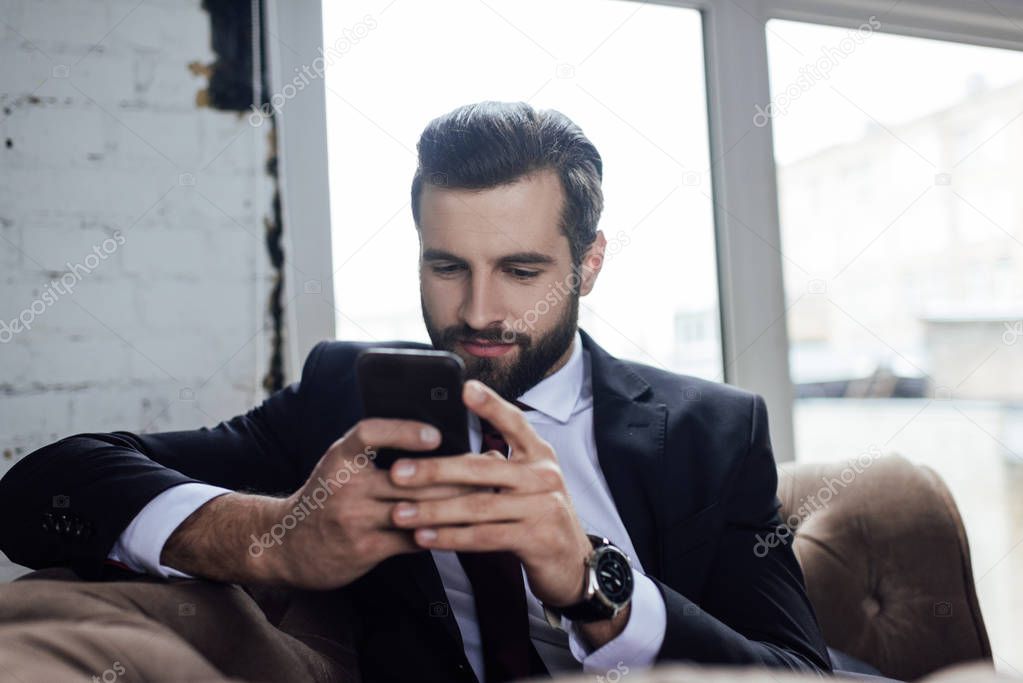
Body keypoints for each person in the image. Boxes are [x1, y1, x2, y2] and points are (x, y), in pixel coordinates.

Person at [0, 101, 832, 682]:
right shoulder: (343, 393)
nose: (476, 311)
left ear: (589, 262)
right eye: (445, 267)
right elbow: (43, 489)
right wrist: (271, 537)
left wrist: (593, 584)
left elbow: (797, 672)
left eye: (520, 270)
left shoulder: (713, 430)